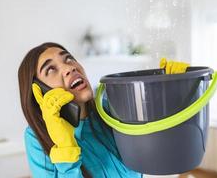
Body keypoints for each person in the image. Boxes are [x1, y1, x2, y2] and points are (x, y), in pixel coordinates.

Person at [18, 42, 189, 178]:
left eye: (68, 59)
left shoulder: (110, 109)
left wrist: (174, 88)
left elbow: (158, 148)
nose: (69, 68)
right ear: (39, 92)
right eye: (51, 69)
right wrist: (65, 150)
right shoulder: (36, 136)